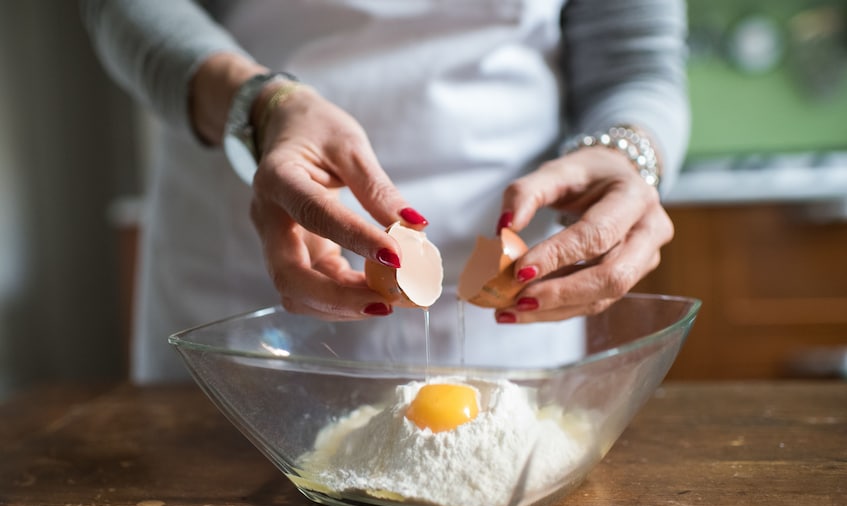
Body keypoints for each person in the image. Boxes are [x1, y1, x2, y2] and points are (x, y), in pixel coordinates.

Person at [81, 0, 689, 383]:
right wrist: (261, 107)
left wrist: (628, 153)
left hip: (510, 298)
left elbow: (638, 61)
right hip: (247, 252)